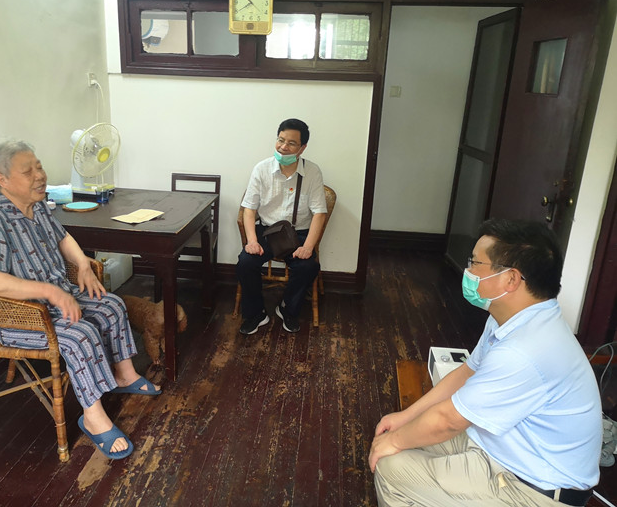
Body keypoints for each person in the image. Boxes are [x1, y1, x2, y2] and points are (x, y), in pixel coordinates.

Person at [369, 218, 601, 507]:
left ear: (511, 279)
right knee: (402, 439)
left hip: (533, 487)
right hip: (500, 446)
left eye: (475, 263)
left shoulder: (525, 350)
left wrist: (395, 441)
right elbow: (467, 372)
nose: (468, 271)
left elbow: (448, 420)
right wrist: (405, 418)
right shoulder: (510, 318)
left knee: (391, 468)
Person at [0, 140, 161, 460]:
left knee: (111, 305)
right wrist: (51, 292)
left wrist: (83, 264)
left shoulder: (38, 206)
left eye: (39, 167)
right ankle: (93, 417)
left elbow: (64, 238)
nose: (39, 175)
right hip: (15, 316)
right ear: (3, 179)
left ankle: (124, 375)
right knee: (79, 332)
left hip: (58, 299)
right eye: (28, 171)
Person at [236, 118, 327, 335]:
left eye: (291, 143)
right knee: (245, 263)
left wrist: (308, 247)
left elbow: (319, 213)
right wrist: (252, 241)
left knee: (308, 267)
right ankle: (256, 313)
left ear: (302, 148)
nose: (283, 147)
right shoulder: (262, 169)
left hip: (298, 233)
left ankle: (287, 308)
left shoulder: (312, 172)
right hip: (268, 231)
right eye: (280, 140)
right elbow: (249, 209)